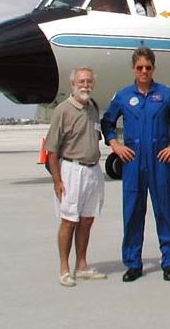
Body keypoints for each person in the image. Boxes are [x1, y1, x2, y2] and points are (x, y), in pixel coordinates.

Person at [101, 46, 170, 283]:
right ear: (133, 68)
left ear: (153, 68)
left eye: (147, 67)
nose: (143, 71)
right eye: (139, 67)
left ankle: (169, 262)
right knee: (132, 212)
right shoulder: (122, 96)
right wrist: (115, 145)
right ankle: (133, 263)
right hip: (133, 162)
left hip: (159, 161)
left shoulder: (166, 94)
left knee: (165, 212)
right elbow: (107, 122)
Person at [45, 67, 106, 287]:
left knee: (87, 220)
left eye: (89, 81)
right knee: (69, 220)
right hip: (71, 170)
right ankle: (64, 268)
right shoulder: (63, 110)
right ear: (73, 84)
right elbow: (51, 150)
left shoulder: (93, 107)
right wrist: (57, 181)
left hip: (93, 170)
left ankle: (82, 266)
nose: (85, 85)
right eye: (81, 81)